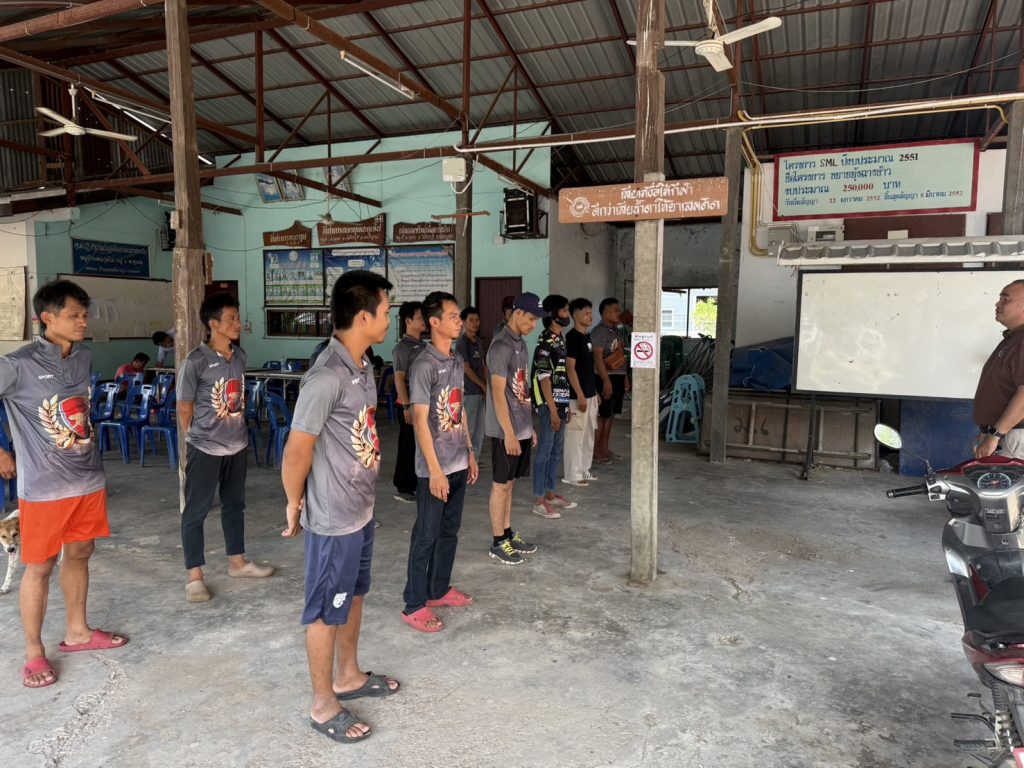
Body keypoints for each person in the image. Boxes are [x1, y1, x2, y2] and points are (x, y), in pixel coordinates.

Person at [281, 270, 400, 744]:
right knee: (324, 610)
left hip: (360, 510)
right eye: (386, 311)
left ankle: (348, 675)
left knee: (353, 595)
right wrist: (294, 502)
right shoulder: (326, 375)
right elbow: (297, 450)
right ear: (363, 316)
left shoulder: (363, 366)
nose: (390, 319)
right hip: (333, 517)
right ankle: (322, 703)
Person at [0, 279, 127, 689]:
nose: (83, 321)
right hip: (44, 489)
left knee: (80, 554)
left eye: (85, 314)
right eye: (74, 315)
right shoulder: (16, 365)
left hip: (87, 481)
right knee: (39, 566)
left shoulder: (84, 356)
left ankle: (78, 632)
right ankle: (33, 652)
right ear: (47, 318)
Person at [178, 293, 273, 603]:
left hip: (236, 445)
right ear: (213, 324)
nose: (238, 323)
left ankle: (237, 562)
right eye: (231, 319)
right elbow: (184, 407)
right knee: (196, 510)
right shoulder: (195, 361)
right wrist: (196, 439)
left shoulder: (239, 356)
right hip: (205, 448)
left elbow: (238, 396)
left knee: (234, 504)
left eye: (238, 317)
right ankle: (195, 576)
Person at [401, 292, 478, 632]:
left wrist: (470, 451)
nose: (459, 321)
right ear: (434, 322)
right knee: (426, 536)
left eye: (459, 316)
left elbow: (458, 410)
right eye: (453, 316)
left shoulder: (456, 359)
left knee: (449, 532)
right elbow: (420, 420)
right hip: (434, 469)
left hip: (458, 461)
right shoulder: (424, 365)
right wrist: (434, 471)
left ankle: (438, 589)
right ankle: (414, 603)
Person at [485, 292, 546, 565]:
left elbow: (521, 388)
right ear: (517, 313)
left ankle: (508, 533)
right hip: (504, 431)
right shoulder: (501, 347)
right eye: (531, 318)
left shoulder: (520, 344)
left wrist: (528, 426)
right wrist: (509, 432)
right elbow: (498, 394)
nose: (534, 324)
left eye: (536, 320)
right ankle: (498, 542)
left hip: (520, 427)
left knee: (510, 485)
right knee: (500, 486)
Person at [531, 295, 578, 519]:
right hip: (548, 405)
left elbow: (562, 375)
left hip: (560, 403)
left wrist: (564, 407)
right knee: (545, 450)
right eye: (565, 310)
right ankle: (539, 499)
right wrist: (552, 410)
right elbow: (544, 379)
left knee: (556, 450)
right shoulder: (545, 342)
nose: (568, 314)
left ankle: (550, 493)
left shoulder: (561, 339)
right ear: (552, 315)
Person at [974, 279, 1024, 459]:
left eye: (1005, 299)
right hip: (1002, 435)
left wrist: (995, 435)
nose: (998, 303)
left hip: (1012, 437)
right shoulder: (1013, 338)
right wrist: (987, 433)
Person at [563, 298, 600, 487]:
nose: (590, 316)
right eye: (585, 313)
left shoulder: (587, 336)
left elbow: (587, 368)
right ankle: (572, 474)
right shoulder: (572, 338)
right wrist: (579, 394)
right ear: (575, 315)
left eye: (590, 313)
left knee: (588, 434)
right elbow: (570, 368)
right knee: (575, 435)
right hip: (577, 396)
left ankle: (584, 469)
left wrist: (594, 392)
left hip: (590, 393)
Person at [392, 302, 426, 504]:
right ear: (408, 321)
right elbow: (399, 378)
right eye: (419, 317)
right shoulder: (402, 348)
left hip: (422, 404)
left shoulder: (423, 346)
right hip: (409, 405)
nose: (423, 321)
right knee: (408, 446)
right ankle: (403, 487)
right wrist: (406, 406)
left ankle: (416, 483)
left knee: (420, 445)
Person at [591, 297, 630, 464]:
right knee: (602, 416)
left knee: (611, 416)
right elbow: (598, 358)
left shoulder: (616, 331)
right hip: (604, 378)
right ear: (605, 312)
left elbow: (621, 356)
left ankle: (605, 448)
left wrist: (625, 377)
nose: (618, 313)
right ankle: (595, 451)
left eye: (619, 310)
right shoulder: (599, 332)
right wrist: (606, 381)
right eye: (615, 310)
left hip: (618, 377)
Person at [456, 306, 488, 467]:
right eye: (471, 320)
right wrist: (482, 385)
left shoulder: (479, 342)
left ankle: (475, 459)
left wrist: (487, 385)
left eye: (477, 320)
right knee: (469, 428)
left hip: (481, 391)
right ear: (463, 322)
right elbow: (466, 368)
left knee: (480, 428)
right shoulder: (462, 343)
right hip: (470, 391)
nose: (475, 323)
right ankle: (464, 460)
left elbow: (483, 364)